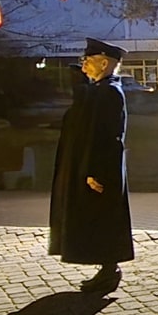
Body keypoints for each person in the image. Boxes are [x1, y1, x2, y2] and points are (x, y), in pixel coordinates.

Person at [49, 38, 134, 294]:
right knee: (98, 219)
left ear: (104, 63)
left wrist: (97, 172)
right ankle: (106, 270)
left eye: (88, 60)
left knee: (104, 220)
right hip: (94, 169)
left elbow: (109, 137)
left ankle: (110, 271)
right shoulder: (101, 90)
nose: (84, 65)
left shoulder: (110, 92)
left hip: (101, 172)